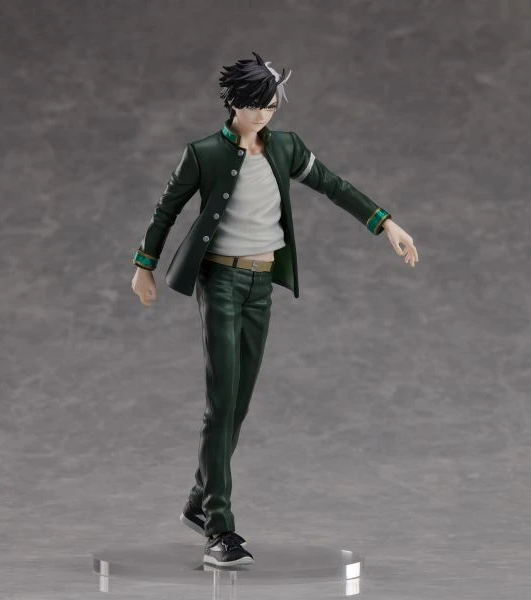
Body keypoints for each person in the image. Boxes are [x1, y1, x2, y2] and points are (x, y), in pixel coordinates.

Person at [131, 52, 419, 567]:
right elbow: (166, 209)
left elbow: (333, 185)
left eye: (270, 106)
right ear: (233, 104)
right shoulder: (203, 154)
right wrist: (143, 266)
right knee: (221, 402)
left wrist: (385, 223)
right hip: (220, 281)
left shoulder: (286, 147)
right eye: (255, 106)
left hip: (261, 284)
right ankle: (219, 528)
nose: (264, 114)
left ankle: (199, 500)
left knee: (239, 403)